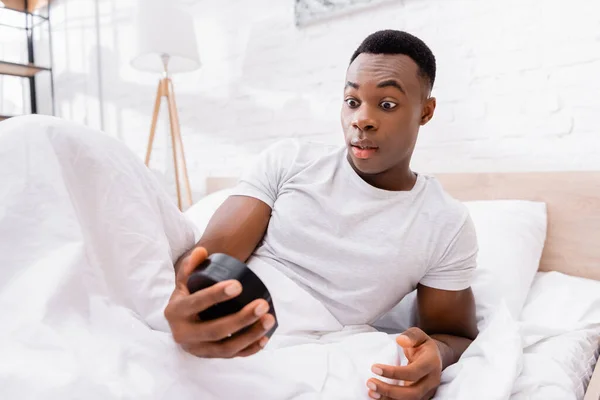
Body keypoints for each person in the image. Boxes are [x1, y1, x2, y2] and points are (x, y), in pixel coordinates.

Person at [164, 30, 479, 400]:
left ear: (425, 112)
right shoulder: (290, 161)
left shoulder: (444, 223)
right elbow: (206, 265)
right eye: (352, 100)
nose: (361, 120)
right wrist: (184, 307)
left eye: (387, 104)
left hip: (311, 348)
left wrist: (436, 358)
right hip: (239, 312)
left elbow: (453, 336)